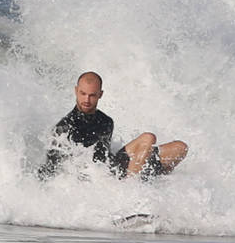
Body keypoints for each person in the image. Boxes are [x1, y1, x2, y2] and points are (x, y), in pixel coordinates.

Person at [38, 71, 188, 182]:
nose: (87, 99)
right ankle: (131, 192)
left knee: (180, 148)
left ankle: (154, 185)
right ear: (76, 91)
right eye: (83, 94)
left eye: (92, 95)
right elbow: (52, 169)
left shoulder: (106, 121)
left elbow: (105, 157)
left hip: (113, 172)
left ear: (100, 94)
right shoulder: (64, 128)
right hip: (94, 183)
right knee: (149, 138)